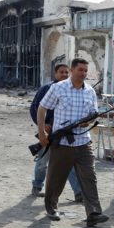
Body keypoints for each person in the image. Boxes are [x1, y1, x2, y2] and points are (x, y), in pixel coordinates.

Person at [37, 58, 109, 226]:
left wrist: (89, 121)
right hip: (62, 143)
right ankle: (51, 207)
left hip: (83, 142)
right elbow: (42, 108)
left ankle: (93, 213)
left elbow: (94, 113)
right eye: (80, 70)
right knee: (56, 179)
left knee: (89, 178)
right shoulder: (58, 88)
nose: (83, 73)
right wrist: (42, 132)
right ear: (72, 70)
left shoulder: (89, 91)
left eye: (85, 70)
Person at [29, 64, 82, 202]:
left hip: (64, 132)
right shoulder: (47, 88)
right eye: (61, 72)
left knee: (68, 163)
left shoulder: (73, 89)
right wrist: (43, 126)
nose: (64, 74)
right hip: (49, 132)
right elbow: (35, 108)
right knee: (42, 161)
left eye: (66, 72)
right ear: (55, 73)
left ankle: (78, 192)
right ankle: (37, 187)